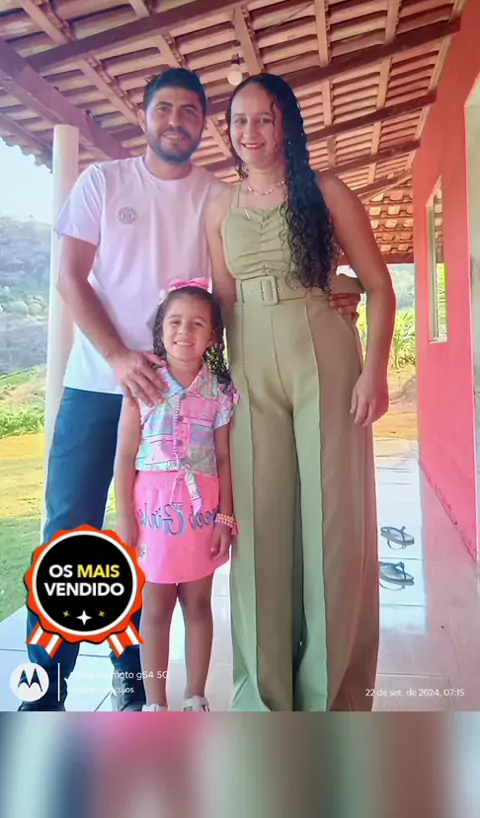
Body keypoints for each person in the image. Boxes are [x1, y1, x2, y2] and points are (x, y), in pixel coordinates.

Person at [20, 66, 361, 712]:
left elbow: (271, 268)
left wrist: (338, 294)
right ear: (143, 116)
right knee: (73, 535)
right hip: (99, 386)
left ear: (206, 125)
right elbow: (69, 278)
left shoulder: (221, 198)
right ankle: (44, 690)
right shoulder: (103, 182)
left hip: (187, 402)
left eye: (189, 112)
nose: (175, 121)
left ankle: (132, 687)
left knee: (156, 546)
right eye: (164, 109)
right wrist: (119, 356)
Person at [205, 73, 396, 712]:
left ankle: (331, 701)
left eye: (264, 118)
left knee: (332, 523)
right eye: (239, 121)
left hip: (327, 363)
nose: (250, 132)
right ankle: (262, 706)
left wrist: (375, 371)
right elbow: (222, 300)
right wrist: (205, 384)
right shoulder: (219, 207)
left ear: (286, 124)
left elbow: (378, 285)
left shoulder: (326, 190)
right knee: (258, 528)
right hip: (249, 368)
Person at [115, 281, 237, 712]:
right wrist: (125, 517)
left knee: (198, 604)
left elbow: (225, 457)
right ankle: (155, 703)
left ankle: (195, 696)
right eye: (175, 322)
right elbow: (124, 455)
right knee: (155, 609)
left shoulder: (221, 392)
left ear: (213, 336)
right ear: (161, 330)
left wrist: (226, 517)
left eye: (197, 324)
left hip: (202, 513)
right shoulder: (142, 385)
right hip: (152, 514)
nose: (185, 331)